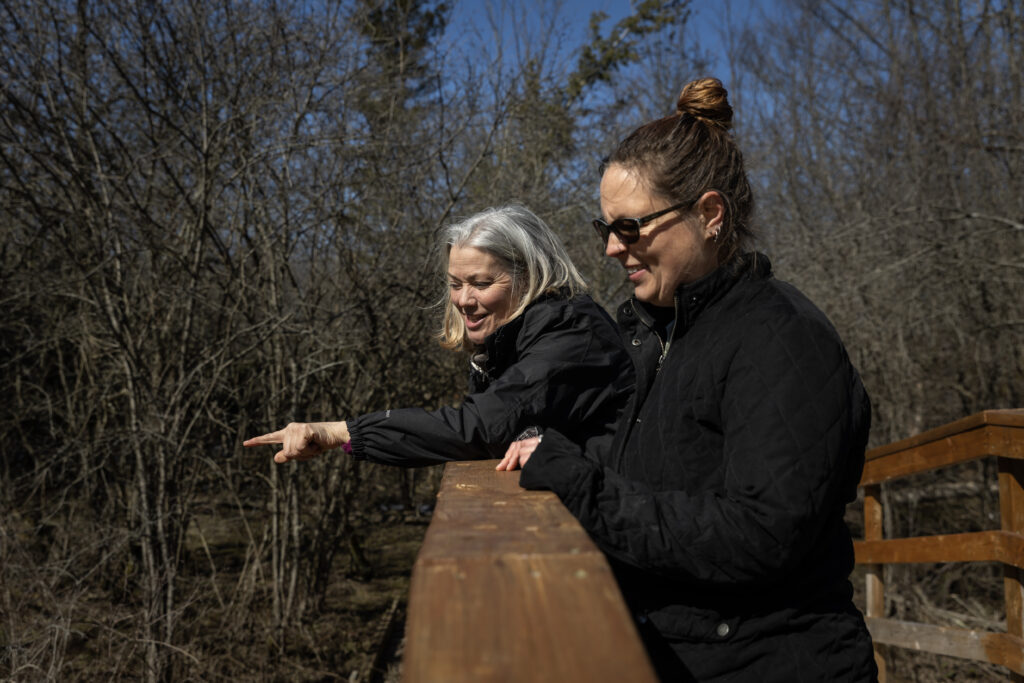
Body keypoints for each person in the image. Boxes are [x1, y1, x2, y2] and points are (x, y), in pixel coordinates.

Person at [515, 78, 878, 682]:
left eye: (630, 228)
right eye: (603, 227)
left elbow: (760, 534)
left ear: (709, 215)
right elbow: (639, 458)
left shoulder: (781, 338)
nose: (610, 248)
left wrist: (582, 485)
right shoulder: (651, 333)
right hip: (673, 653)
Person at [244, 204, 634, 468]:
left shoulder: (570, 333)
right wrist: (346, 442)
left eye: (481, 283)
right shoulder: (508, 342)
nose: (463, 300)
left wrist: (339, 432)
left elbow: (482, 428)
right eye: (454, 283)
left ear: (530, 277)